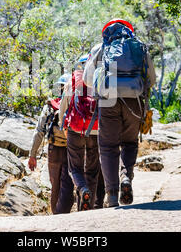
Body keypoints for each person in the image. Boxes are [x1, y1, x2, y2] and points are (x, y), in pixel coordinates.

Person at [83, 19, 156, 208]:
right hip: (135, 99)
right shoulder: (138, 47)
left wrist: (107, 84)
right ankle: (126, 178)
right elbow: (152, 79)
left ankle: (112, 195)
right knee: (129, 143)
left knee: (108, 147)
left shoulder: (101, 48)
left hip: (108, 100)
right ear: (129, 31)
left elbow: (87, 79)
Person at [59, 54, 101, 211]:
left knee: (75, 168)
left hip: (75, 129)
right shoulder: (101, 79)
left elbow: (64, 105)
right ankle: (88, 207)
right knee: (93, 169)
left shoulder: (74, 79)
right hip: (96, 130)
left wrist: (62, 125)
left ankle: (82, 189)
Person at [28, 73, 74, 214]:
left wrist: (32, 155)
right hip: (71, 149)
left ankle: (56, 214)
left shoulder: (50, 106)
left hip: (54, 149)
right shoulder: (75, 105)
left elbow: (39, 131)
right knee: (68, 183)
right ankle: (65, 213)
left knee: (55, 185)